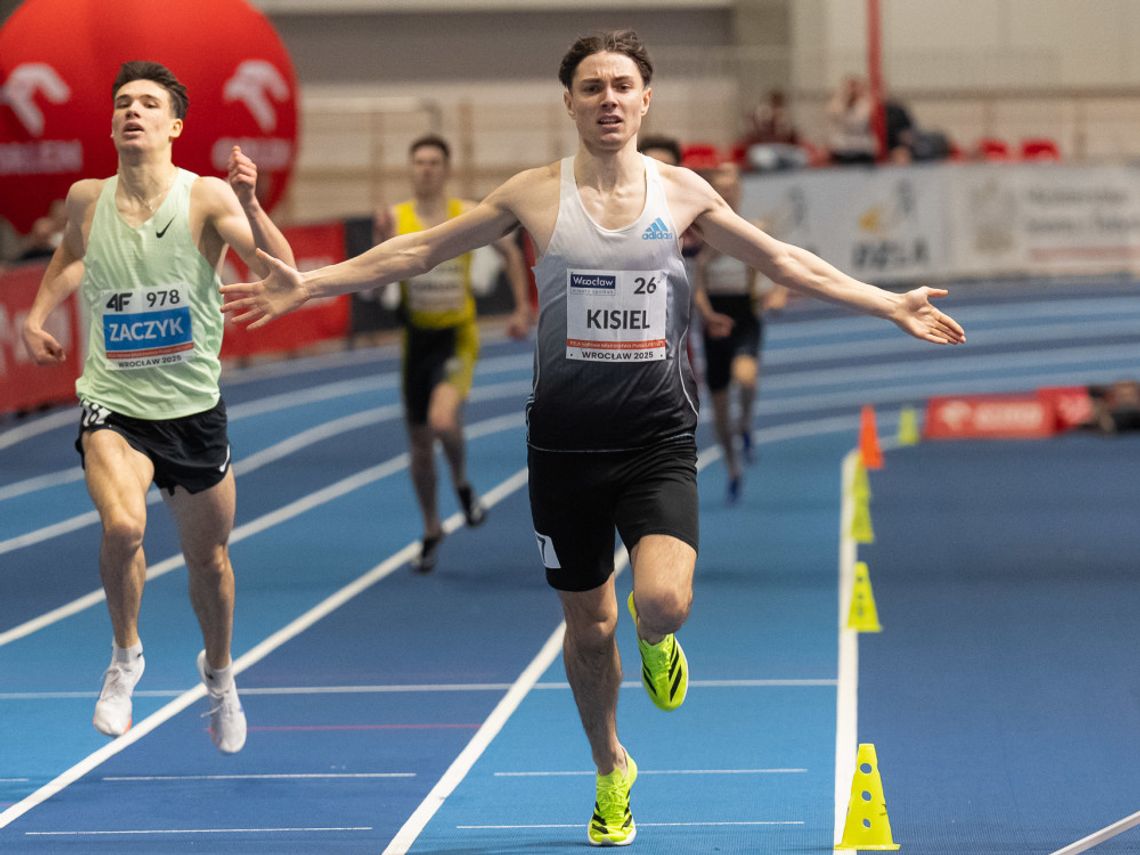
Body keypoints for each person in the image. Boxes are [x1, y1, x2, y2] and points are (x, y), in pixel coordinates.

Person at [221, 29, 965, 846]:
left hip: (655, 438)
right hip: (564, 450)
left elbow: (785, 261)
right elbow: (419, 249)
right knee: (587, 628)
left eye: (621, 85)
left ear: (645, 100)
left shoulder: (682, 194)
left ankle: (659, 642)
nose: (608, 99)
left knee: (661, 601)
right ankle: (612, 766)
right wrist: (312, 284)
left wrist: (886, 301)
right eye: (591, 87)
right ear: (569, 103)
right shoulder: (536, 194)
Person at [21, 61, 296, 754]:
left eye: (147, 103)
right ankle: (125, 657)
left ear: (174, 125)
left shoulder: (203, 198)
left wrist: (254, 205)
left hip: (194, 412)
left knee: (210, 563)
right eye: (122, 103)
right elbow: (66, 255)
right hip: (114, 404)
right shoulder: (88, 198)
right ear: (113, 123)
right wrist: (36, 315)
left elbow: (283, 273)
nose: (131, 111)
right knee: (123, 525)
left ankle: (220, 676)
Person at [374, 135, 532, 573]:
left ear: (446, 169)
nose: (426, 169)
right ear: (412, 169)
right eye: (419, 162)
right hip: (416, 340)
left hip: (457, 335)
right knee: (420, 449)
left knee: (444, 420)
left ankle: (461, 483)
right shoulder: (396, 217)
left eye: (433, 162)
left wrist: (521, 306)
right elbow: (372, 285)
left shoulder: (466, 214)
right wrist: (379, 241)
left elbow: (511, 251)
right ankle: (430, 528)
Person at [691, 161, 788, 503]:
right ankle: (733, 467)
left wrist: (777, 293)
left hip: (746, 315)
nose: (728, 193)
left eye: (732, 187)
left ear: (740, 191)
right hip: (715, 319)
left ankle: (745, 422)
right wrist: (706, 314)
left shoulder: (754, 229)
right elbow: (697, 283)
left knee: (745, 376)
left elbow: (780, 268)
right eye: (722, 187)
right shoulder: (700, 234)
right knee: (718, 407)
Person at [826, 75, 877, 165]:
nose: (852, 91)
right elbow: (832, 113)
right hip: (842, 147)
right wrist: (843, 97)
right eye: (849, 88)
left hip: (862, 147)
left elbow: (858, 122)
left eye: (854, 88)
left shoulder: (866, 103)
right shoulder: (838, 102)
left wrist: (858, 98)